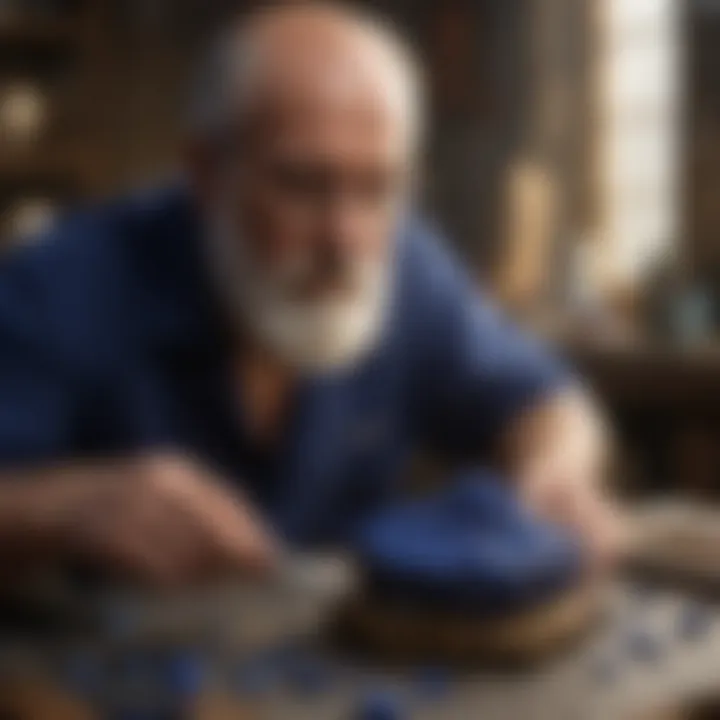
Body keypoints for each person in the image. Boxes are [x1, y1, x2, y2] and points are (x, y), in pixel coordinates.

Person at [0, 2, 615, 587]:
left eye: (378, 188)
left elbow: (548, 401)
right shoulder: (63, 285)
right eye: (302, 184)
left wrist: (556, 475)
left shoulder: (409, 270)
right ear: (206, 174)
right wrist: (65, 507)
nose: (344, 239)